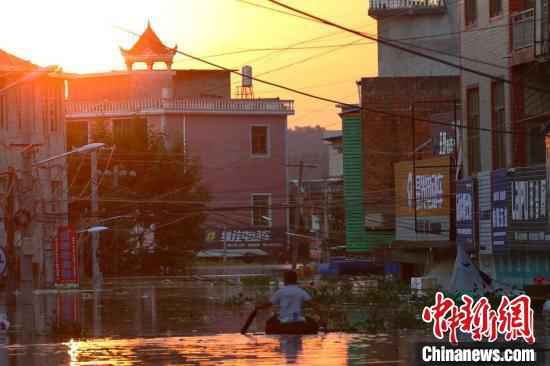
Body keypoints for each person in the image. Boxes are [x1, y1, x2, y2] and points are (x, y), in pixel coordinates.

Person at [255, 270, 326, 334]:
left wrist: (258, 307)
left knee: (269, 323)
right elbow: (314, 305)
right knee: (313, 324)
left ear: (285, 280)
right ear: (296, 280)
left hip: (283, 321)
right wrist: (322, 319)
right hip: (299, 320)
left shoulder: (280, 292)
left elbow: (268, 304)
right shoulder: (300, 291)